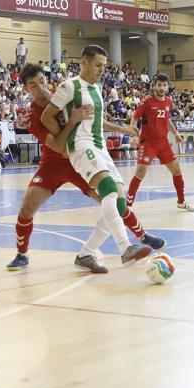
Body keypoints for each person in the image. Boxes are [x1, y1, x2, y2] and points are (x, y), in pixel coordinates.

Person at [5, 64, 164, 271]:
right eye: (34, 85)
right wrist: (72, 120)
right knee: (27, 208)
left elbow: (94, 120)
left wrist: (123, 129)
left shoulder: (64, 93)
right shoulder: (33, 117)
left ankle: (141, 236)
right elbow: (60, 147)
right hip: (53, 164)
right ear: (26, 89)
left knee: (112, 199)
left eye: (42, 82)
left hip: (78, 160)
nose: (41, 88)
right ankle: (22, 254)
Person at [42, 45, 152, 273]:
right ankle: (125, 248)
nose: (102, 69)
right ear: (84, 63)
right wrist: (65, 138)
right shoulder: (69, 87)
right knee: (109, 189)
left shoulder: (97, 88)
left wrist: (122, 129)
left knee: (119, 203)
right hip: (81, 146)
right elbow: (46, 117)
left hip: (99, 147)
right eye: (98, 65)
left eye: (104, 65)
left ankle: (85, 254)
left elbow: (97, 121)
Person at [125, 74, 189, 211]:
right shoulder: (146, 101)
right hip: (148, 143)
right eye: (159, 85)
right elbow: (135, 118)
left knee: (176, 170)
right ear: (154, 86)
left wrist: (176, 133)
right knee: (141, 172)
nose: (162, 88)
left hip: (163, 142)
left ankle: (181, 201)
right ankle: (127, 206)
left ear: (168, 87)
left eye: (164, 85)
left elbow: (167, 120)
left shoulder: (169, 102)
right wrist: (134, 135)